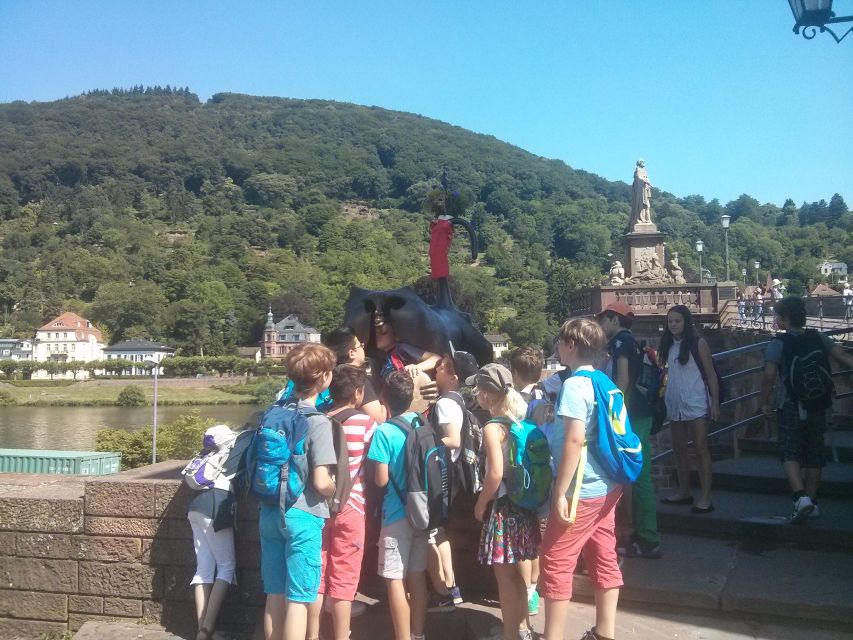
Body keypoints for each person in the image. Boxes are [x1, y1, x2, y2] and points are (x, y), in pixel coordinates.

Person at [540, 318, 623, 640]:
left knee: (556, 560)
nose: (558, 348)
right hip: (607, 484)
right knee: (604, 554)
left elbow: (574, 440)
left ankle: (553, 636)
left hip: (580, 490)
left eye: (561, 342)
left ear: (572, 345)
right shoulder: (604, 382)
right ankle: (605, 632)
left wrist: (560, 491)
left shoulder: (574, 385)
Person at [260, 343, 337, 640]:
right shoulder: (317, 422)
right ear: (325, 378)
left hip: (269, 512)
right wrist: (335, 490)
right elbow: (320, 482)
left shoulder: (272, 414)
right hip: (303, 515)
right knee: (299, 598)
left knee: (274, 594)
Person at [759, 296, 853, 523]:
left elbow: (770, 376)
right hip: (819, 402)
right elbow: (843, 357)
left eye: (777, 316)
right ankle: (813, 502)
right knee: (814, 452)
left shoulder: (777, 343)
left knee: (788, 449)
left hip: (790, 402)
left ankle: (800, 498)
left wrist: (764, 402)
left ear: (783, 319)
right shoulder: (817, 337)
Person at [307, 364, 377, 640]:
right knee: (345, 576)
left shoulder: (319, 420)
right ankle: (341, 636)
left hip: (319, 505)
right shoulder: (366, 423)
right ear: (359, 393)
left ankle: (312, 634)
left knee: (319, 572)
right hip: (352, 504)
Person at [470, 363, 539, 640]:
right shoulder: (519, 423)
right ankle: (522, 629)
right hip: (523, 507)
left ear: (487, 395)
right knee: (517, 575)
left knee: (505, 577)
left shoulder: (492, 427)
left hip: (502, 510)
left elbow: (495, 473)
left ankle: (510, 634)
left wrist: (480, 503)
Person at [367, 370, 429, 640]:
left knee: (394, 579)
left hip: (396, 514)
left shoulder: (384, 432)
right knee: (417, 577)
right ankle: (418, 634)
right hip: (423, 511)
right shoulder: (423, 424)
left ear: (384, 398)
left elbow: (380, 480)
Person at [596, 303, 661, 559]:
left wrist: (614, 417)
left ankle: (647, 537)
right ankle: (641, 535)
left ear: (615, 320)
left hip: (631, 415)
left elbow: (622, 380)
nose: (601, 325)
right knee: (636, 474)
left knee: (637, 475)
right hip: (640, 413)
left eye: (604, 320)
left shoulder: (622, 343)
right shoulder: (631, 342)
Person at [425, 351, 478, 613]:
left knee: (432, 533)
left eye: (442, 368)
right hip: (455, 476)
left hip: (443, 476)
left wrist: (424, 446)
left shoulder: (445, 403)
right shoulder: (459, 400)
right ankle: (451, 586)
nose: (437, 371)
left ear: (454, 378)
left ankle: (443, 591)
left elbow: (453, 440)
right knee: (441, 532)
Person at [658, 305, 719, 514]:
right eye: (670, 321)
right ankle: (683, 491)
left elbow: (710, 374)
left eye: (677, 321)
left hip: (696, 400)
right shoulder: (668, 344)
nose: (673, 325)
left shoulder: (697, 343)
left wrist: (716, 403)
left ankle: (706, 496)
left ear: (686, 322)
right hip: (676, 401)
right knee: (679, 448)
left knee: (700, 447)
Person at [187, 424, 238, 640]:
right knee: (226, 567)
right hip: (216, 506)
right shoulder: (232, 452)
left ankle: (201, 629)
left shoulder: (204, 455)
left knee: (203, 569)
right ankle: (207, 629)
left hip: (195, 507)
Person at [509, 346, 546, 617]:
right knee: (536, 537)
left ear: (515, 373)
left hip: (525, 478)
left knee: (523, 541)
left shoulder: (518, 400)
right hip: (545, 473)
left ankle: (526, 595)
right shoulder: (546, 393)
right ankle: (534, 588)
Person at [324, 326, 387, 423]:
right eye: (360, 345)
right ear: (352, 353)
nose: (363, 347)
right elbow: (378, 418)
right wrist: (389, 400)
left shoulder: (331, 376)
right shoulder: (356, 380)